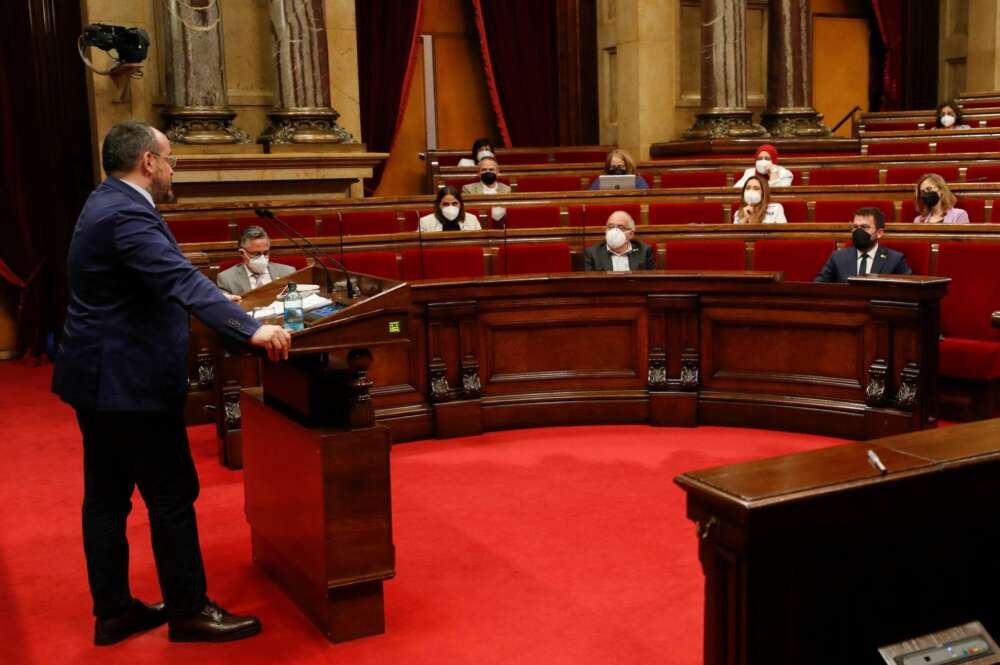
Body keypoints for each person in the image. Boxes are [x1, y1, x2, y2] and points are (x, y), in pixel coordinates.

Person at [51, 121, 292, 646]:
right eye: (170, 159)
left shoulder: (109, 201)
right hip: (127, 382)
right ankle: (189, 611)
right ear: (148, 163)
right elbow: (176, 278)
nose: (172, 169)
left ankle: (113, 612)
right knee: (170, 493)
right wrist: (251, 328)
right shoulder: (125, 212)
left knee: (108, 498)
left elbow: (155, 277)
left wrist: (218, 300)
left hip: (100, 378)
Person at [814, 207, 911, 283]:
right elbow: (819, 286)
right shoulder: (838, 257)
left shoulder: (895, 259)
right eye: (855, 227)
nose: (858, 231)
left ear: (879, 233)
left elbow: (909, 291)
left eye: (864, 227)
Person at [217, 225, 297, 295]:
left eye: (265, 253)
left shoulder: (288, 272)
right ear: (242, 253)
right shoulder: (227, 279)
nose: (262, 258)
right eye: (256, 254)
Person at [584, 210, 656, 272]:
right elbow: (590, 285)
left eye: (621, 227)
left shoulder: (644, 251)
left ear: (631, 234)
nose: (614, 231)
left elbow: (651, 282)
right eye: (610, 227)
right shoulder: (592, 253)